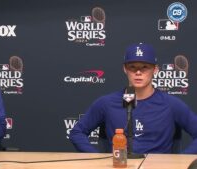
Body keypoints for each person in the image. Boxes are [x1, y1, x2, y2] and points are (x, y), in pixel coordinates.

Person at [69, 43, 197, 154]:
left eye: (145, 67)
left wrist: (182, 161)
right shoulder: (106, 103)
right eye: (132, 67)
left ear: (156, 70)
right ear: (125, 69)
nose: (138, 72)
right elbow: (77, 132)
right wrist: (97, 159)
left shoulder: (171, 104)